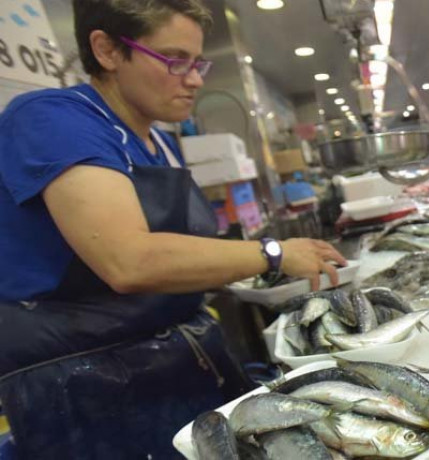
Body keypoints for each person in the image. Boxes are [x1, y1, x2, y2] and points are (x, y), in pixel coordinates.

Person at [0, 1, 347, 458]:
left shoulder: (160, 140)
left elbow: (182, 253)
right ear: (106, 49)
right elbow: (128, 261)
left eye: (198, 62)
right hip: (84, 390)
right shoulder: (52, 119)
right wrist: (272, 253)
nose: (196, 79)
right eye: (174, 60)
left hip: (178, 364)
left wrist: (256, 274)